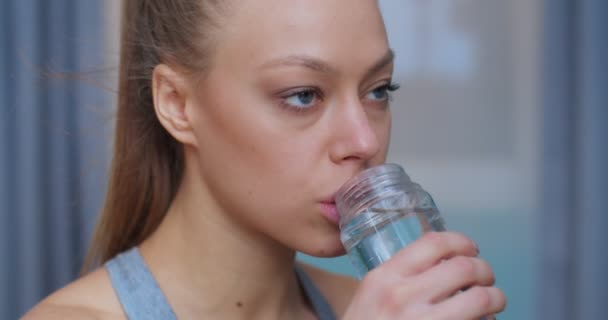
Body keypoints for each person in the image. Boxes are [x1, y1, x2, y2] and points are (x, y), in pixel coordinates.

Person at [24, 0, 506, 319]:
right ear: (176, 103)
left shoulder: (361, 307)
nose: (363, 140)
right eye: (302, 96)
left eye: (379, 90)